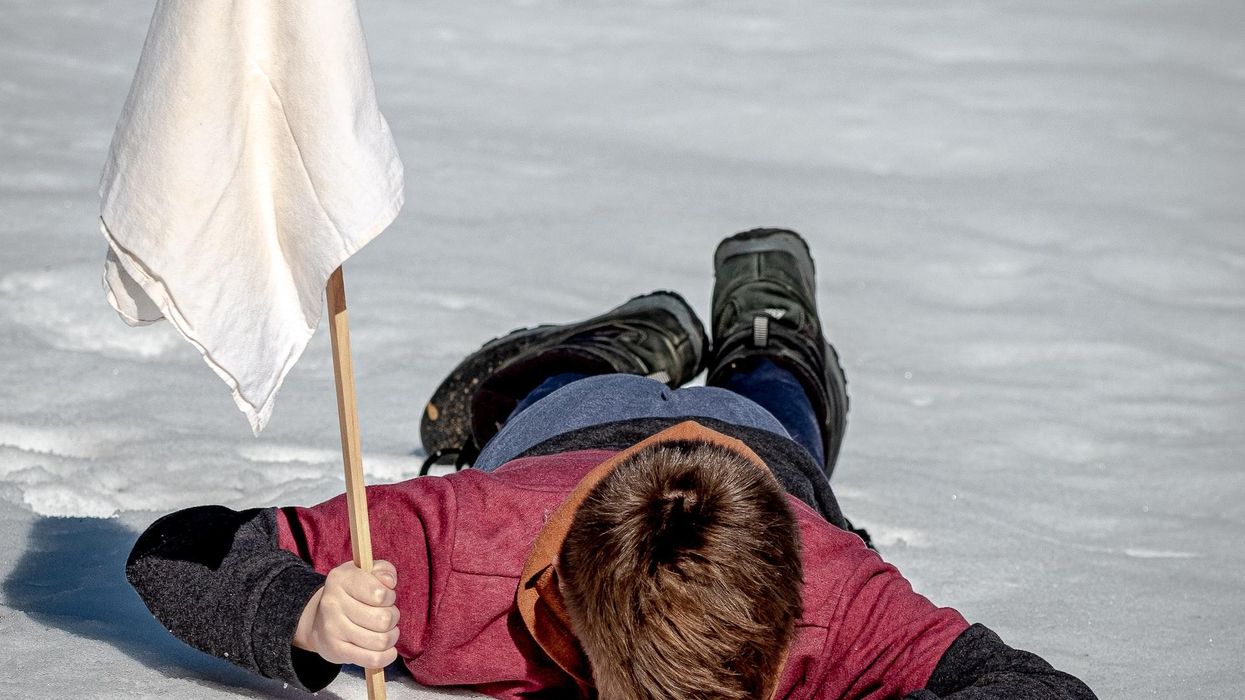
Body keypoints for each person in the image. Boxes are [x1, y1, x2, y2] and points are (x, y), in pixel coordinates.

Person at [127, 229, 1096, 699]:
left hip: (753, 448)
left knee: (777, 400)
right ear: (586, 632)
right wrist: (303, 609)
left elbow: (1018, 684)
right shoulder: (459, 548)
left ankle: (771, 335)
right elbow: (178, 548)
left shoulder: (835, 593)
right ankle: (614, 348)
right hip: (566, 428)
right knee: (550, 390)